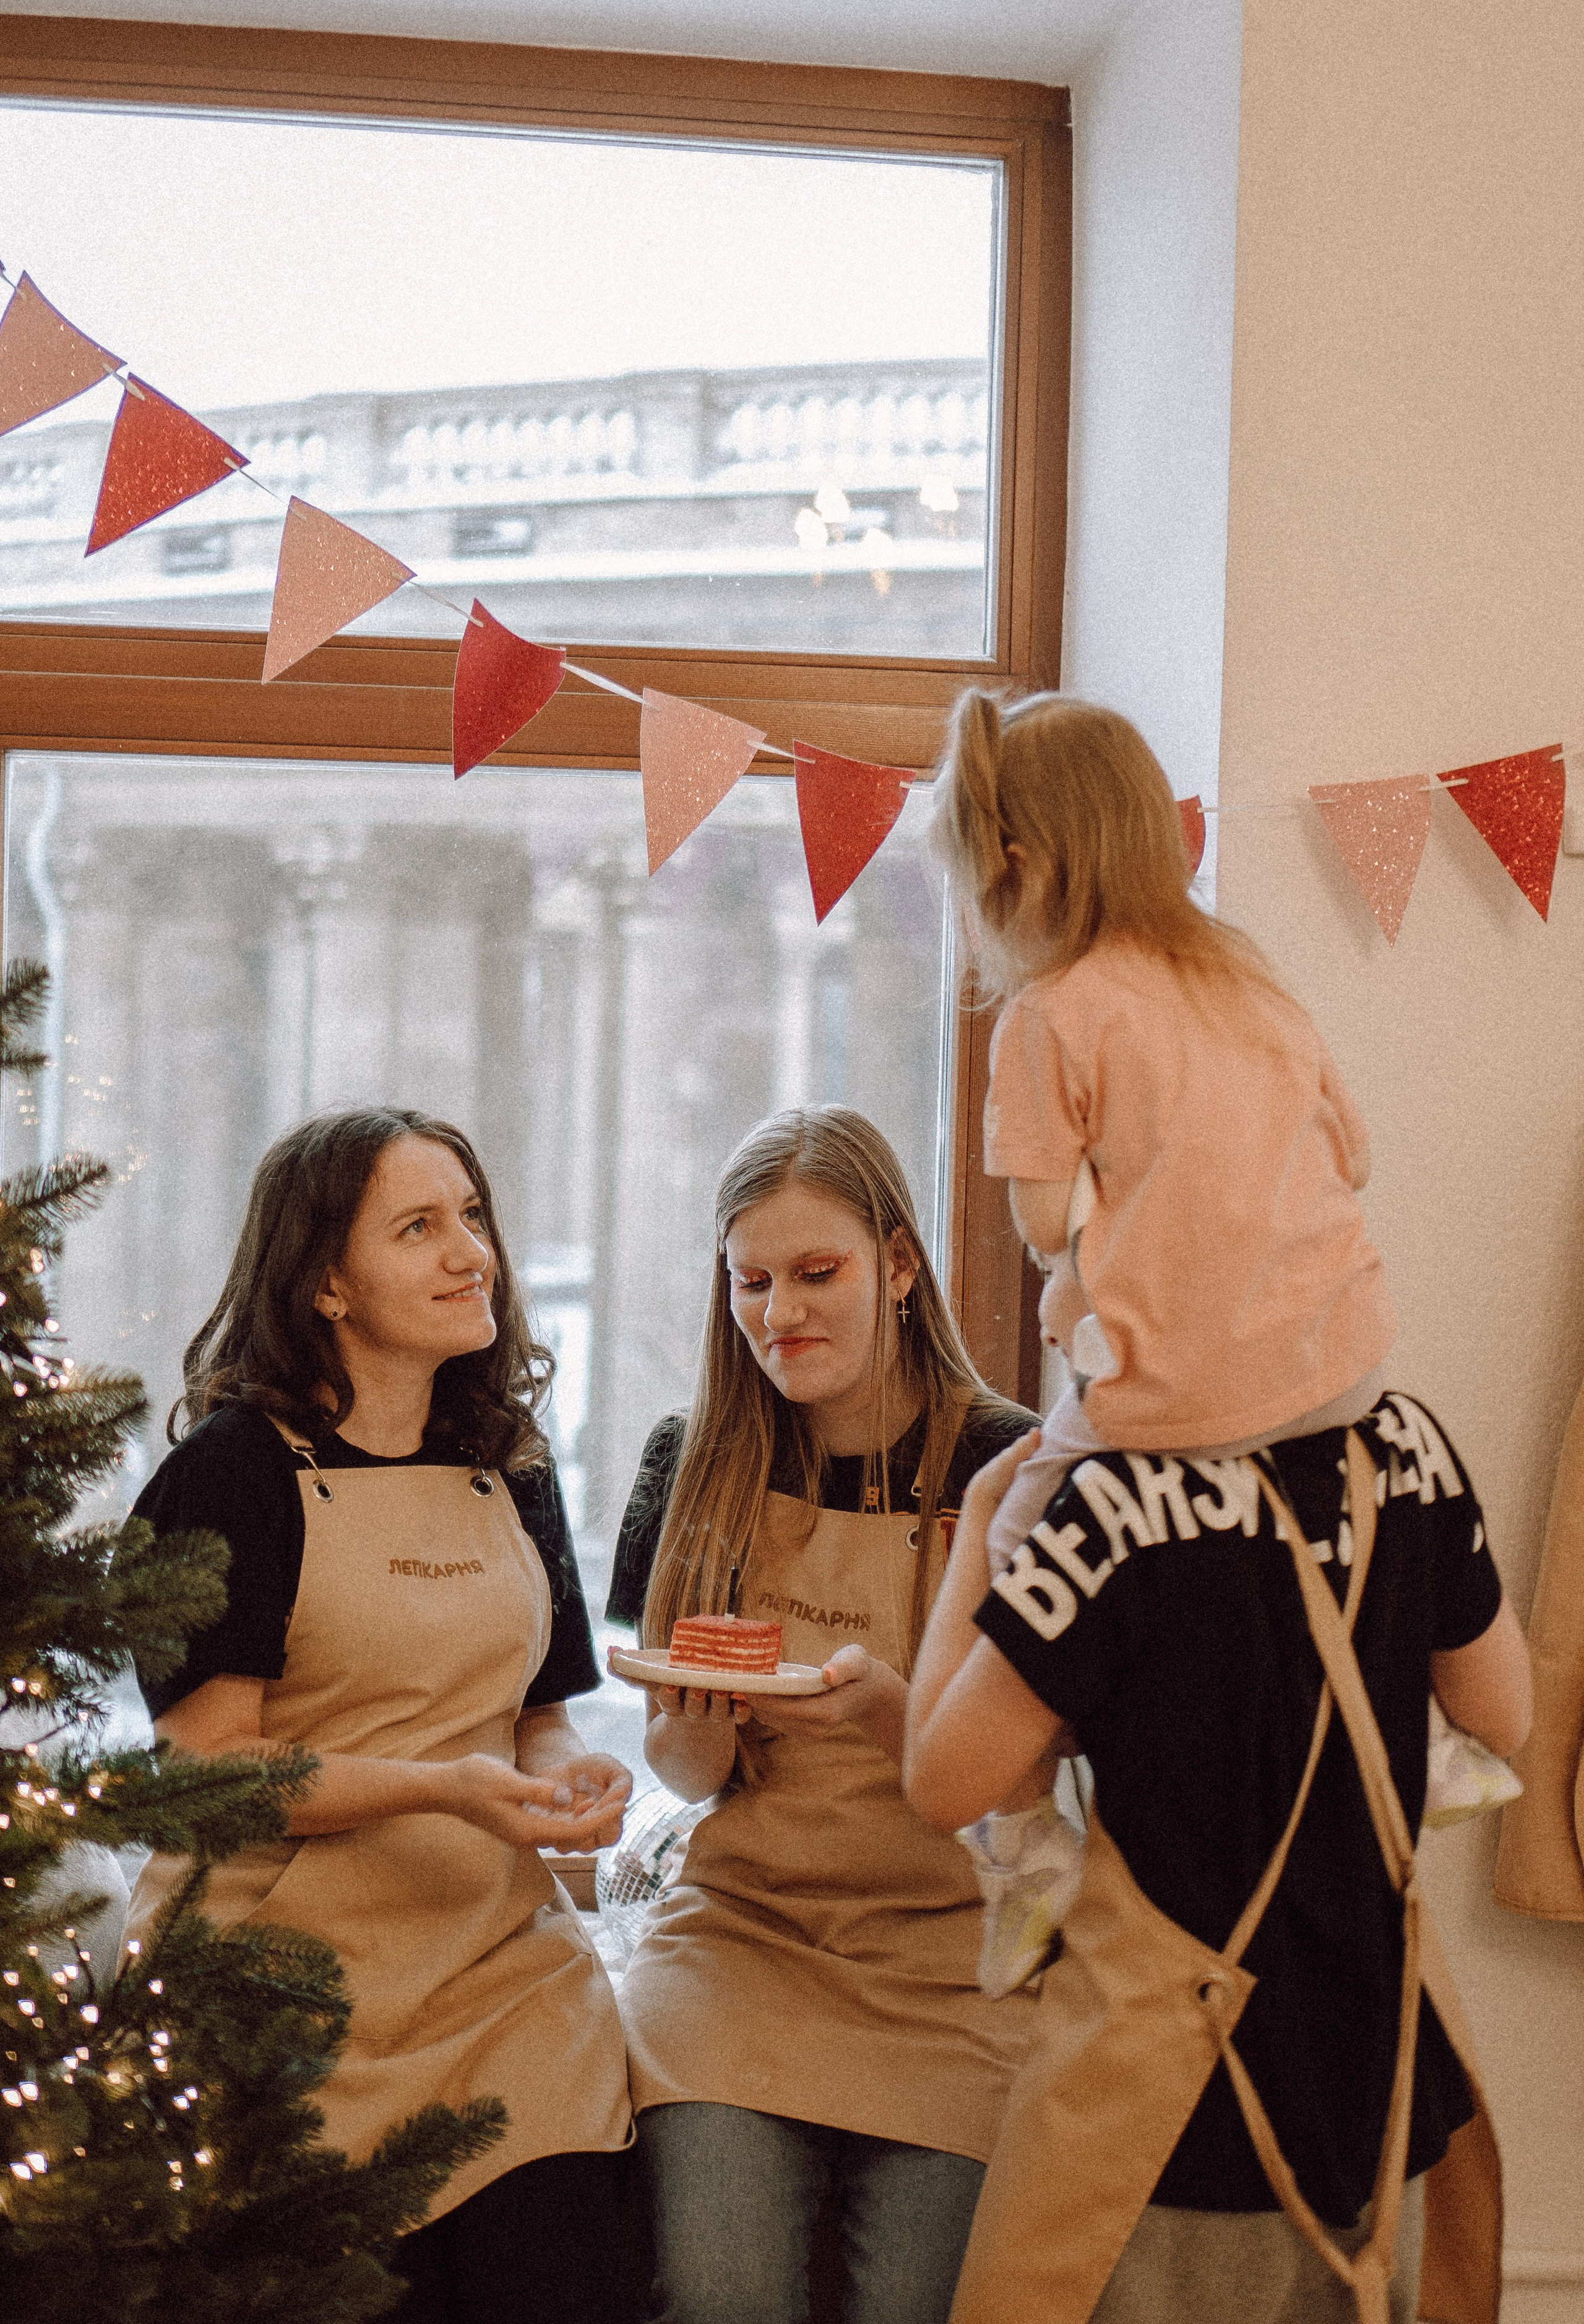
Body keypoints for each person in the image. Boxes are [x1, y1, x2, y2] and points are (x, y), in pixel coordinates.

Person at [122, 1107, 639, 2324]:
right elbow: (213, 1771)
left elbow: (537, 1722)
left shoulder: (508, 1460)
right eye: (419, 1228)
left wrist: (565, 1785)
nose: (472, 1254)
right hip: (277, 1985)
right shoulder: (230, 1474)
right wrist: (441, 1786)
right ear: (325, 1284)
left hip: (500, 1979)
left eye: (471, 1218)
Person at [926, 687, 1406, 1966]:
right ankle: (1440, 1748)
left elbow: (1038, 1220)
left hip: (1180, 1406)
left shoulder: (1050, 1014)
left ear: (1014, 869)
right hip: (1346, 1373)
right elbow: (1350, 1159)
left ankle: (1025, 1845)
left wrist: (1094, 1245)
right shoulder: (1250, 983)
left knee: (1021, 1527)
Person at [906, 1401, 1531, 2322]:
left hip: (1173, 2104)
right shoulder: (1407, 1444)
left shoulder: (1113, 1501)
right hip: (1383, 2080)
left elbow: (944, 1778)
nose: (1054, 1315)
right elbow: (1502, 1714)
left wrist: (986, 1521)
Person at [603, 1107, 1039, 2324]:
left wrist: (897, 1713)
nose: (777, 1315)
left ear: (899, 1266)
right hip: (739, 1945)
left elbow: (1034, 1799)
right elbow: (688, 1781)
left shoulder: (1010, 1473)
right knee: (721, 2290)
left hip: (951, 1969)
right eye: (750, 1282)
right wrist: (693, 1724)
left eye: (816, 1273)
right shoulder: (691, 1462)